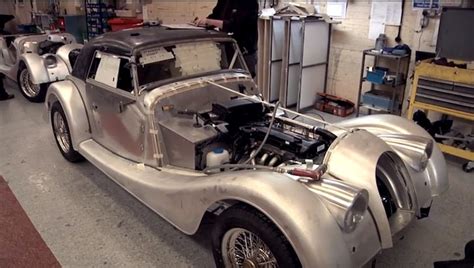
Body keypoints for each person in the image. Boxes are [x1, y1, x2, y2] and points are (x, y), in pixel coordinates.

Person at [194, 0, 259, 77]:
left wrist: (209, 21)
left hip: (244, 52)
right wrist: (202, 22)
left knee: (242, 85)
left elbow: (234, 26)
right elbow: (216, 15)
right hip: (226, 50)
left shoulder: (249, 2)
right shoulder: (224, 1)